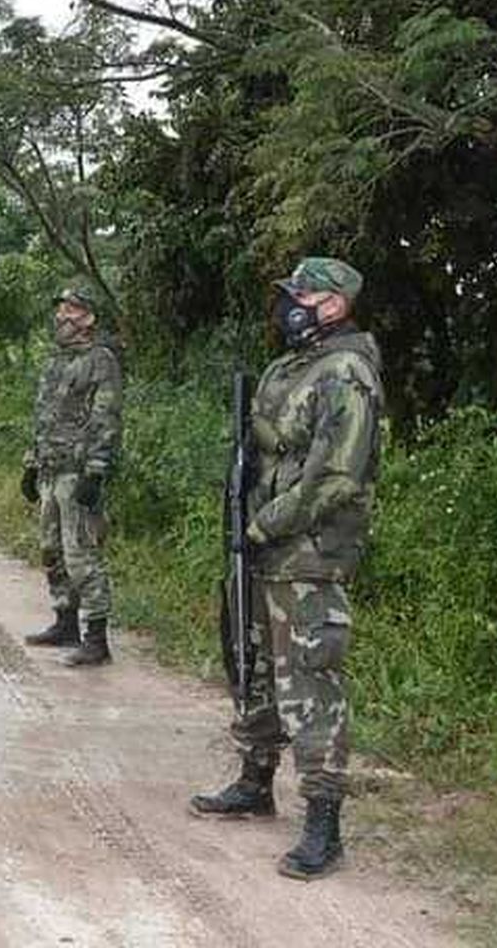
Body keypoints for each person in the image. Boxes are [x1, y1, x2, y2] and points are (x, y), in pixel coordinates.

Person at [189, 257, 385, 882]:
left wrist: (265, 523)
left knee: (309, 676)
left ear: (334, 305)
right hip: (260, 545)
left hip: (308, 551)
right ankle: (254, 780)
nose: (289, 303)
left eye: (301, 294)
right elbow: (261, 450)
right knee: (251, 663)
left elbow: (335, 477)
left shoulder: (349, 373)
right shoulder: (285, 368)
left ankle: (323, 824)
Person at [21, 286, 123, 667]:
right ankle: (65, 621)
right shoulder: (55, 361)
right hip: (51, 468)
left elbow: (106, 419)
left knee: (82, 553)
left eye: (72, 309)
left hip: (77, 471)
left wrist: (95, 472)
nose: (62, 315)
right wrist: (31, 464)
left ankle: (96, 638)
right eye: (61, 307)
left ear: (89, 318)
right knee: (51, 549)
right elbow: (44, 417)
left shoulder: (101, 361)